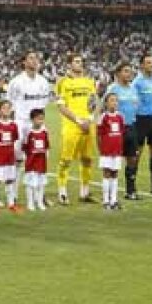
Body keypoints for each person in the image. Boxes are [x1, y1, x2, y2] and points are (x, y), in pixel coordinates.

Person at [55, 53, 96, 205]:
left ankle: (84, 192)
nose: (80, 64)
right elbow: (61, 106)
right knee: (66, 160)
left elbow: (93, 103)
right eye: (76, 61)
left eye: (81, 62)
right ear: (69, 64)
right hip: (72, 125)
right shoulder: (63, 82)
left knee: (87, 159)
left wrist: (90, 119)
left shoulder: (89, 81)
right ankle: (62, 191)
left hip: (87, 125)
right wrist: (78, 120)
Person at [104, 62, 140, 200]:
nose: (129, 74)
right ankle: (112, 194)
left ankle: (130, 190)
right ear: (118, 73)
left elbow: (136, 105)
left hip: (132, 126)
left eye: (130, 71)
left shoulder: (133, 89)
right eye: (125, 71)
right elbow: (104, 106)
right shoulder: (113, 88)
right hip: (117, 129)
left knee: (132, 159)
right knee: (115, 160)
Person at [6, 50, 51, 154]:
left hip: (37, 124)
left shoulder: (43, 82)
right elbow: (9, 104)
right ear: (24, 62)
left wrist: (40, 121)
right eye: (31, 58)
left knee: (41, 154)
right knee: (17, 156)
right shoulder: (15, 82)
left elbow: (43, 105)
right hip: (21, 123)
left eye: (36, 58)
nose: (34, 60)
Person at [132, 54, 152, 194]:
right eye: (148, 63)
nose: (151, 65)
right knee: (137, 152)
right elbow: (133, 101)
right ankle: (131, 183)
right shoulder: (137, 82)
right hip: (141, 119)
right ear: (142, 65)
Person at [97, 93, 126, 211]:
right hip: (106, 151)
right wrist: (101, 149)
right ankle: (105, 200)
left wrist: (120, 148)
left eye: (116, 100)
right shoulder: (103, 117)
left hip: (117, 151)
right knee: (107, 173)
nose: (114, 103)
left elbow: (121, 133)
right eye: (111, 100)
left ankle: (113, 200)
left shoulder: (120, 117)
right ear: (106, 103)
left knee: (115, 174)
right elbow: (98, 135)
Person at [21, 108, 49, 211]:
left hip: (42, 163)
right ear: (32, 120)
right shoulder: (29, 133)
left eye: (42, 119)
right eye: (38, 119)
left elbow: (46, 146)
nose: (41, 121)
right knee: (30, 184)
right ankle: (30, 202)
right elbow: (24, 147)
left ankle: (40, 202)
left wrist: (46, 157)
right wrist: (27, 159)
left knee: (41, 184)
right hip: (31, 163)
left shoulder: (45, 132)